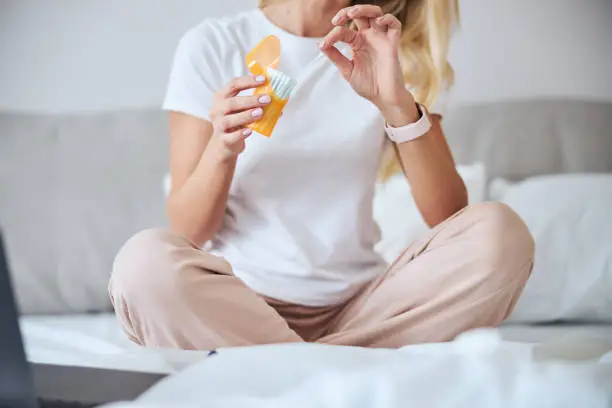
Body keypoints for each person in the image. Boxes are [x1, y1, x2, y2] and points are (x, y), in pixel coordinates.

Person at [108, 0, 534, 350]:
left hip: (366, 310)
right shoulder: (214, 44)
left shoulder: (385, 45)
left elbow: (448, 215)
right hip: (238, 305)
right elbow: (187, 230)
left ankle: (283, 363)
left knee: (502, 234)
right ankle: (344, 362)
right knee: (142, 264)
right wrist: (222, 148)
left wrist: (396, 104)